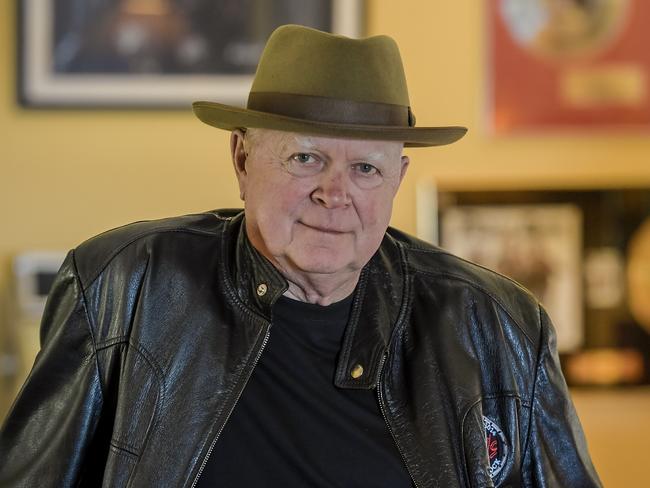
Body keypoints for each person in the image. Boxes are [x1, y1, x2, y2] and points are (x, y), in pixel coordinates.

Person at [0, 24, 601, 487]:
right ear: (241, 158)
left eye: (365, 168)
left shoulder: (497, 326)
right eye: (305, 158)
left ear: (397, 179)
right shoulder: (124, 284)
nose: (333, 193)